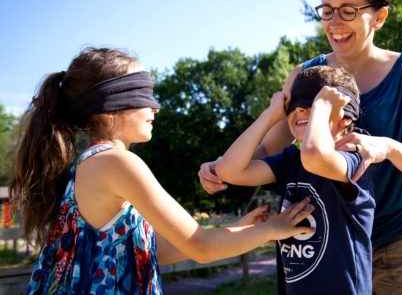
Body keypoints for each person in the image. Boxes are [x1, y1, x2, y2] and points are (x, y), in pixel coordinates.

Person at [199, 0, 402, 294]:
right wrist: (220, 168)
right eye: (327, 10)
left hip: (401, 243)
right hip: (331, 246)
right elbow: (267, 150)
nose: (334, 22)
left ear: (379, 17)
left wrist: (387, 147)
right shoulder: (306, 76)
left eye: (348, 11)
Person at [9, 46, 315, 295]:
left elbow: (154, 250)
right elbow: (201, 247)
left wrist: (244, 227)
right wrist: (273, 228)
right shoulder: (116, 162)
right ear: (111, 104)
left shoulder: (94, 163)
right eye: (143, 95)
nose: (155, 108)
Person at [214, 65, 375, 295]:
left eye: (311, 106)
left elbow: (315, 157)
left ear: (345, 119)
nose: (301, 111)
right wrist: (271, 114)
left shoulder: (356, 160)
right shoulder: (291, 161)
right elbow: (229, 171)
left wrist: (320, 109)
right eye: (295, 106)